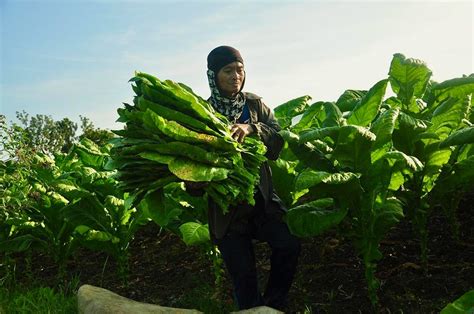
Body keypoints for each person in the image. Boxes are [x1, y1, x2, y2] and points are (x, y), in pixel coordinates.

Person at [204, 45, 301, 311]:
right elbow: (193, 164)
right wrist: (194, 183)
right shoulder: (201, 114)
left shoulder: (254, 105)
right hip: (227, 211)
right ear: (213, 75)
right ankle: (252, 309)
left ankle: (273, 304)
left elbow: (278, 140)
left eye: (240, 70)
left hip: (263, 201)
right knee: (244, 279)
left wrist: (252, 128)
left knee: (289, 245)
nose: (236, 76)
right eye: (228, 71)